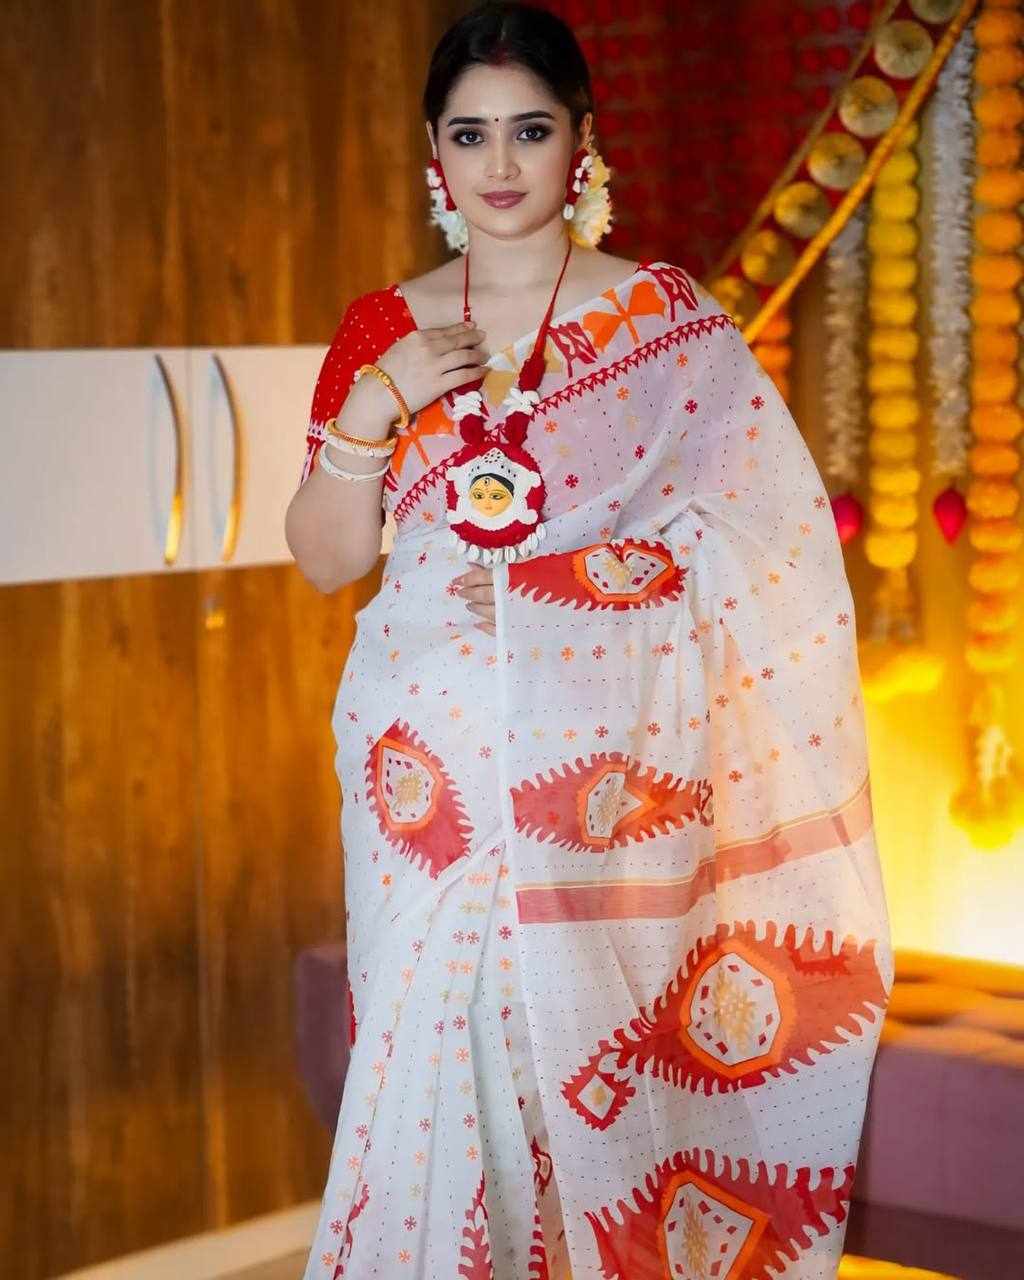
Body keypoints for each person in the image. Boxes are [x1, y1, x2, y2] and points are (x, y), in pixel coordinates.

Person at [285, 4, 893, 1277]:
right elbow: (330, 556)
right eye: (469, 134)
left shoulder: (664, 322)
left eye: (529, 129)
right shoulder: (381, 329)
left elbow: (763, 546)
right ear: (434, 155)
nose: (499, 163)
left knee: (557, 1050)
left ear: (580, 142)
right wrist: (374, 410)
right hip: (421, 767)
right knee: (427, 1042)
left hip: (590, 769)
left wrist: (558, 593)